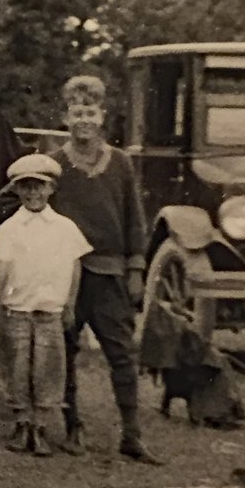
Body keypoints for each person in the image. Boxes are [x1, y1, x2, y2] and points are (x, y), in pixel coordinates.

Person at [48, 75, 163, 464]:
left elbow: (135, 219)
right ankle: (71, 427)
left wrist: (135, 268)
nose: (84, 120)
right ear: (65, 117)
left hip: (111, 274)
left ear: (103, 117)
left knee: (122, 353)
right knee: (64, 352)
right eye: (77, 112)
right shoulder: (54, 163)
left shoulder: (122, 164)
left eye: (91, 112)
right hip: (67, 276)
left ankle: (131, 434)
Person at [0, 154, 90, 456]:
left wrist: (69, 305)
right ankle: (22, 424)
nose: (33, 193)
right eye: (26, 187)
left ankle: (41, 426)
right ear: (16, 191)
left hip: (50, 311)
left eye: (39, 187)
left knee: (48, 368)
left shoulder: (65, 227)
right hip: (16, 310)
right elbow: (2, 271)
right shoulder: (9, 228)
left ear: (51, 189)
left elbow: (75, 268)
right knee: (16, 366)